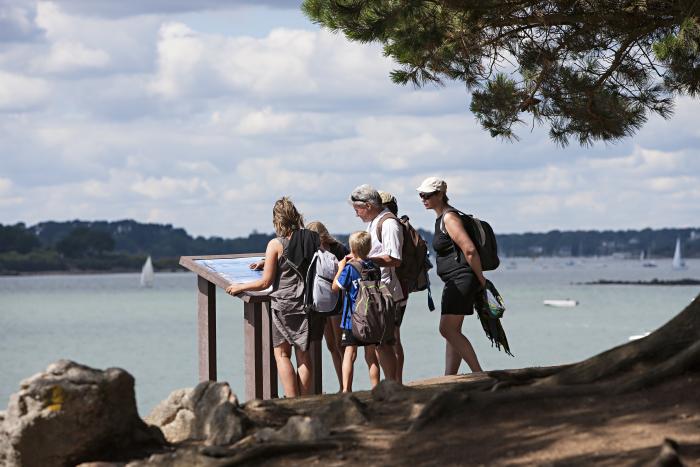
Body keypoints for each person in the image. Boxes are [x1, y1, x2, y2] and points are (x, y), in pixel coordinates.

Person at [225, 197, 320, 397]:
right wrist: (265, 261)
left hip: (284, 304)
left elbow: (265, 283)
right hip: (307, 303)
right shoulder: (312, 238)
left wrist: (241, 286)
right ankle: (305, 400)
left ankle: (291, 400)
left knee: (282, 354)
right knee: (303, 356)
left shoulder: (275, 244)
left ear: (277, 220)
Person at [417, 176, 484, 375]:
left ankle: (478, 373)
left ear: (441, 195)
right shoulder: (441, 218)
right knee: (452, 332)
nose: (423, 198)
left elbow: (469, 249)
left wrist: (480, 279)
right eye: (421, 195)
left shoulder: (449, 218)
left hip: (461, 278)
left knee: (447, 330)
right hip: (454, 280)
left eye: (428, 195)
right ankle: (450, 376)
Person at [349, 184, 401, 386]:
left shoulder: (388, 224)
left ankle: (393, 385)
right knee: (379, 344)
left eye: (357, 209)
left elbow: (395, 258)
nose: (356, 214)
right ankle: (388, 386)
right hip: (375, 293)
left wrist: (365, 260)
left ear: (369, 206)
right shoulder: (374, 222)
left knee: (384, 343)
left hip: (386, 292)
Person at [305, 220, 349, 391]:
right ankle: (341, 384)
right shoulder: (311, 251)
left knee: (340, 343)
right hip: (321, 302)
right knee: (331, 344)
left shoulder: (338, 249)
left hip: (338, 299)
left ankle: (346, 385)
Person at [331, 230, 377, 392]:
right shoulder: (373, 266)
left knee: (349, 354)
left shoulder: (350, 269)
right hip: (371, 319)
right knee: (371, 356)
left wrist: (340, 268)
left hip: (352, 320)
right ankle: (376, 388)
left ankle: (346, 390)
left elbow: (335, 288)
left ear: (352, 249)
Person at [378, 191, 406, 384]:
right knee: (394, 337)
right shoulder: (393, 223)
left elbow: (394, 259)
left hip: (391, 289)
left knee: (391, 338)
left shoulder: (389, 225)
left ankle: (396, 382)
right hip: (398, 289)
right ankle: (397, 381)